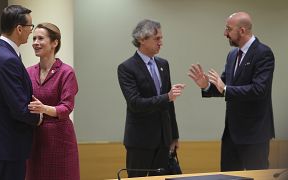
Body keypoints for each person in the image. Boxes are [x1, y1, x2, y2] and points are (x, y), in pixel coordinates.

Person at [188, 12, 275, 171]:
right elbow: (223, 86)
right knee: (227, 175)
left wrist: (225, 88)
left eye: (228, 29)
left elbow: (259, 90)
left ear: (242, 31)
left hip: (254, 134)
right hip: (231, 134)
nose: (225, 33)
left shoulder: (263, 53)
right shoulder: (232, 54)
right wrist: (206, 85)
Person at [0, 5, 42, 180]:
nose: (31, 32)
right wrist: (40, 116)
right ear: (19, 28)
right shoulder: (7, 59)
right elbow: (19, 108)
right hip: (7, 144)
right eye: (30, 27)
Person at [117, 19, 185, 178]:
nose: (161, 42)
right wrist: (167, 96)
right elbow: (135, 103)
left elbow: (169, 105)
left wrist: (174, 135)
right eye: (157, 39)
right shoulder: (127, 68)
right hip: (140, 141)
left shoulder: (164, 64)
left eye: (161, 38)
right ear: (141, 39)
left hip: (163, 140)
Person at [25, 23, 80, 180]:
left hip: (60, 140)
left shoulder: (66, 72)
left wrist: (44, 109)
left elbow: (67, 107)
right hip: (35, 139)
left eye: (40, 38)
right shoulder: (28, 72)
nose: (35, 42)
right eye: (34, 38)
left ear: (55, 43)